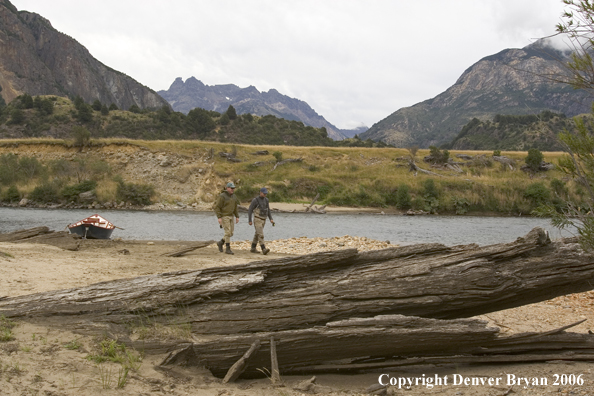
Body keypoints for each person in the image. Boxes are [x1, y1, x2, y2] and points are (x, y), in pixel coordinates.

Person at [214, 182, 240, 255]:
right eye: (231, 188)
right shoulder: (222, 196)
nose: (233, 190)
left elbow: (235, 207)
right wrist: (219, 217)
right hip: (224, 216)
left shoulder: (234, 196)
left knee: (231, 233)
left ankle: (221, 242)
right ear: (227, 188)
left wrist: (237, 216)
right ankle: (228, 248)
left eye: (233, 188)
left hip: (231, 216)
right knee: (227, 232)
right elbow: (217, 207)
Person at [248, 187, 275, 255]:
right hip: (257, 219)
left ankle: (253, 248)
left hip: (264, 219)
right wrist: (250, 220)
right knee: (260, 234)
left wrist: (271, 219)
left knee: (257, 234)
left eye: (266, 194)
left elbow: (268, 210)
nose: (265, 195)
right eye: (264, 193)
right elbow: (250, 210)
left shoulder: (266, 200)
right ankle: (263, 249)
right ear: (260, 193)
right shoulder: (255, 200)